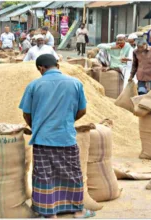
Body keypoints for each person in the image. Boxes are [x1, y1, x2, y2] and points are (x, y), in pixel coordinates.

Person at [19, 54, 94, 219]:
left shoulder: (34, 85)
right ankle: (78, 211)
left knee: (45, 176)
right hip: (66, 137)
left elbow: (26, 113)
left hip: (42, 139)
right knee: (72, 174)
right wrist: (66, 121)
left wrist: (37, 126)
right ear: (57, 65)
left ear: (41, 68)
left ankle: (50, 214)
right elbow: (82, 110)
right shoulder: (75, 83)